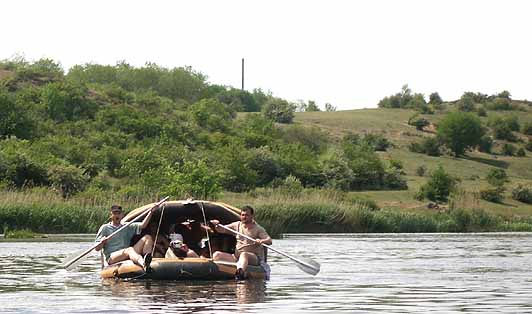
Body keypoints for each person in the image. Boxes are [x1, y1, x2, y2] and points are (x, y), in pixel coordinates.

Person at [210, 205, 272, 280]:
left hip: (253, 258)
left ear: (252, 216)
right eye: (242, 215)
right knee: (217, 255)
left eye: (247, 215)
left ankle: (240, 274)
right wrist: (217, 225)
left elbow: (269, 240)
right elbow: (222, 229)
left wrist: (261, 241)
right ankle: (226, 273)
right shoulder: (237, 225)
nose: (244, 217)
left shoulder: (258, 229)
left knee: (244, 254)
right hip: (237, 257)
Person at [95, 204, 158, 269]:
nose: (117, 215)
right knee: (129, 250)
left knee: (147, 237)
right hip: (112, 257)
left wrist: (151, 212)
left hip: (128, 253)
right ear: (111, 215)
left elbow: (143, 225)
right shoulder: (105, 228)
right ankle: (142, 263)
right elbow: (97, 248)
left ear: (122, 215)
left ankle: (147, 259)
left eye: (119, 213)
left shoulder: (127, 226)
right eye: (114, 213)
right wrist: (102, 242)